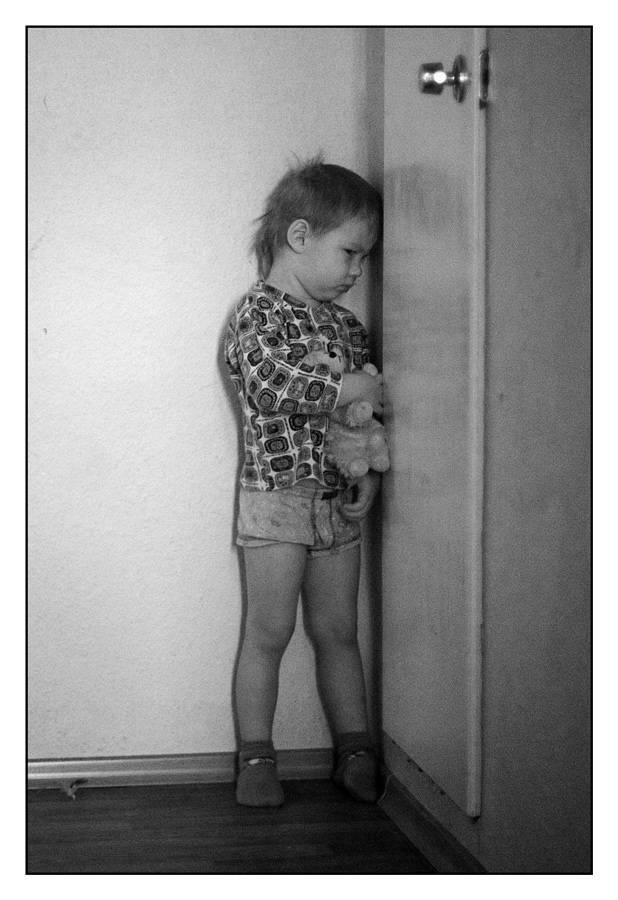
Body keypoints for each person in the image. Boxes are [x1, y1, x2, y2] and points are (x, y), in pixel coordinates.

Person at [224, 156, 383, 807]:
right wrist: (352, 386)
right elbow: (271, 385)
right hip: (275, 500)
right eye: (350, 252)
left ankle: (355, 748)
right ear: (298, 236)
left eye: (364, 258)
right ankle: (257, 757)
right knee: (268, 633)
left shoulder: (347, 326)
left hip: (336, 500)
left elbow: (363, 416)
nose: (357, 271)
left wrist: (369, 470)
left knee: (339, 631)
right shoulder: (257, 313)